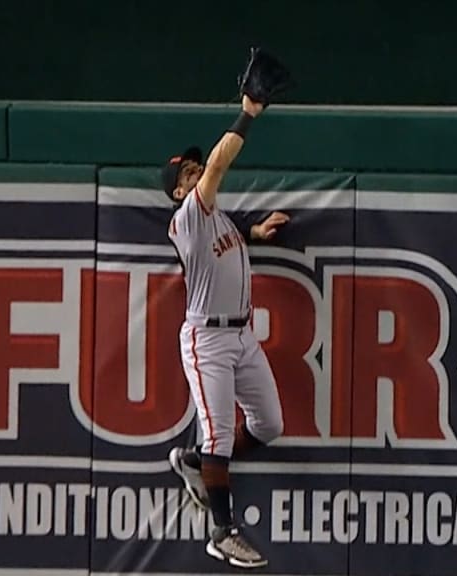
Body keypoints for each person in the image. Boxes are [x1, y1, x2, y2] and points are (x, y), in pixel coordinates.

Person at [163, 94, 285, 569]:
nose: (197, 174)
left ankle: (195, 464)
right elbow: (218, 165)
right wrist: (249, 112)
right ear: (179, 193)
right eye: (187, 175)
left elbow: (227, 245)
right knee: (219, 438)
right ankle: (222, 530)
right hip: (207, 341)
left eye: (196, 170)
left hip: (242, 337)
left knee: (269, 424)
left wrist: (254, 233)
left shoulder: (217, 219)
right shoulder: (188, 216)